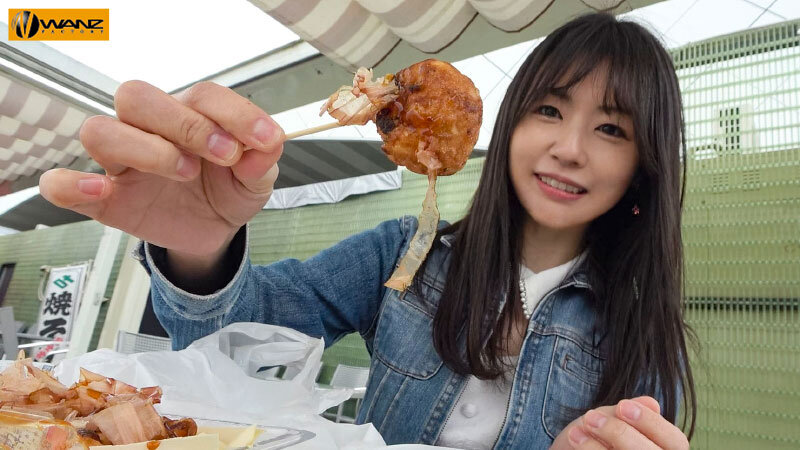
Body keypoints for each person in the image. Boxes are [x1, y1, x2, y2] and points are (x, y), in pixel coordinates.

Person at [40, 12, 695, 449]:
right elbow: (230, 343)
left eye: (611, 128)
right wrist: (197, 243)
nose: (569, 149)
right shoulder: (404, 256)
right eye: (549, 110)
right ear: (512, 125)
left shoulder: (640, 336)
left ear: (644, 166)